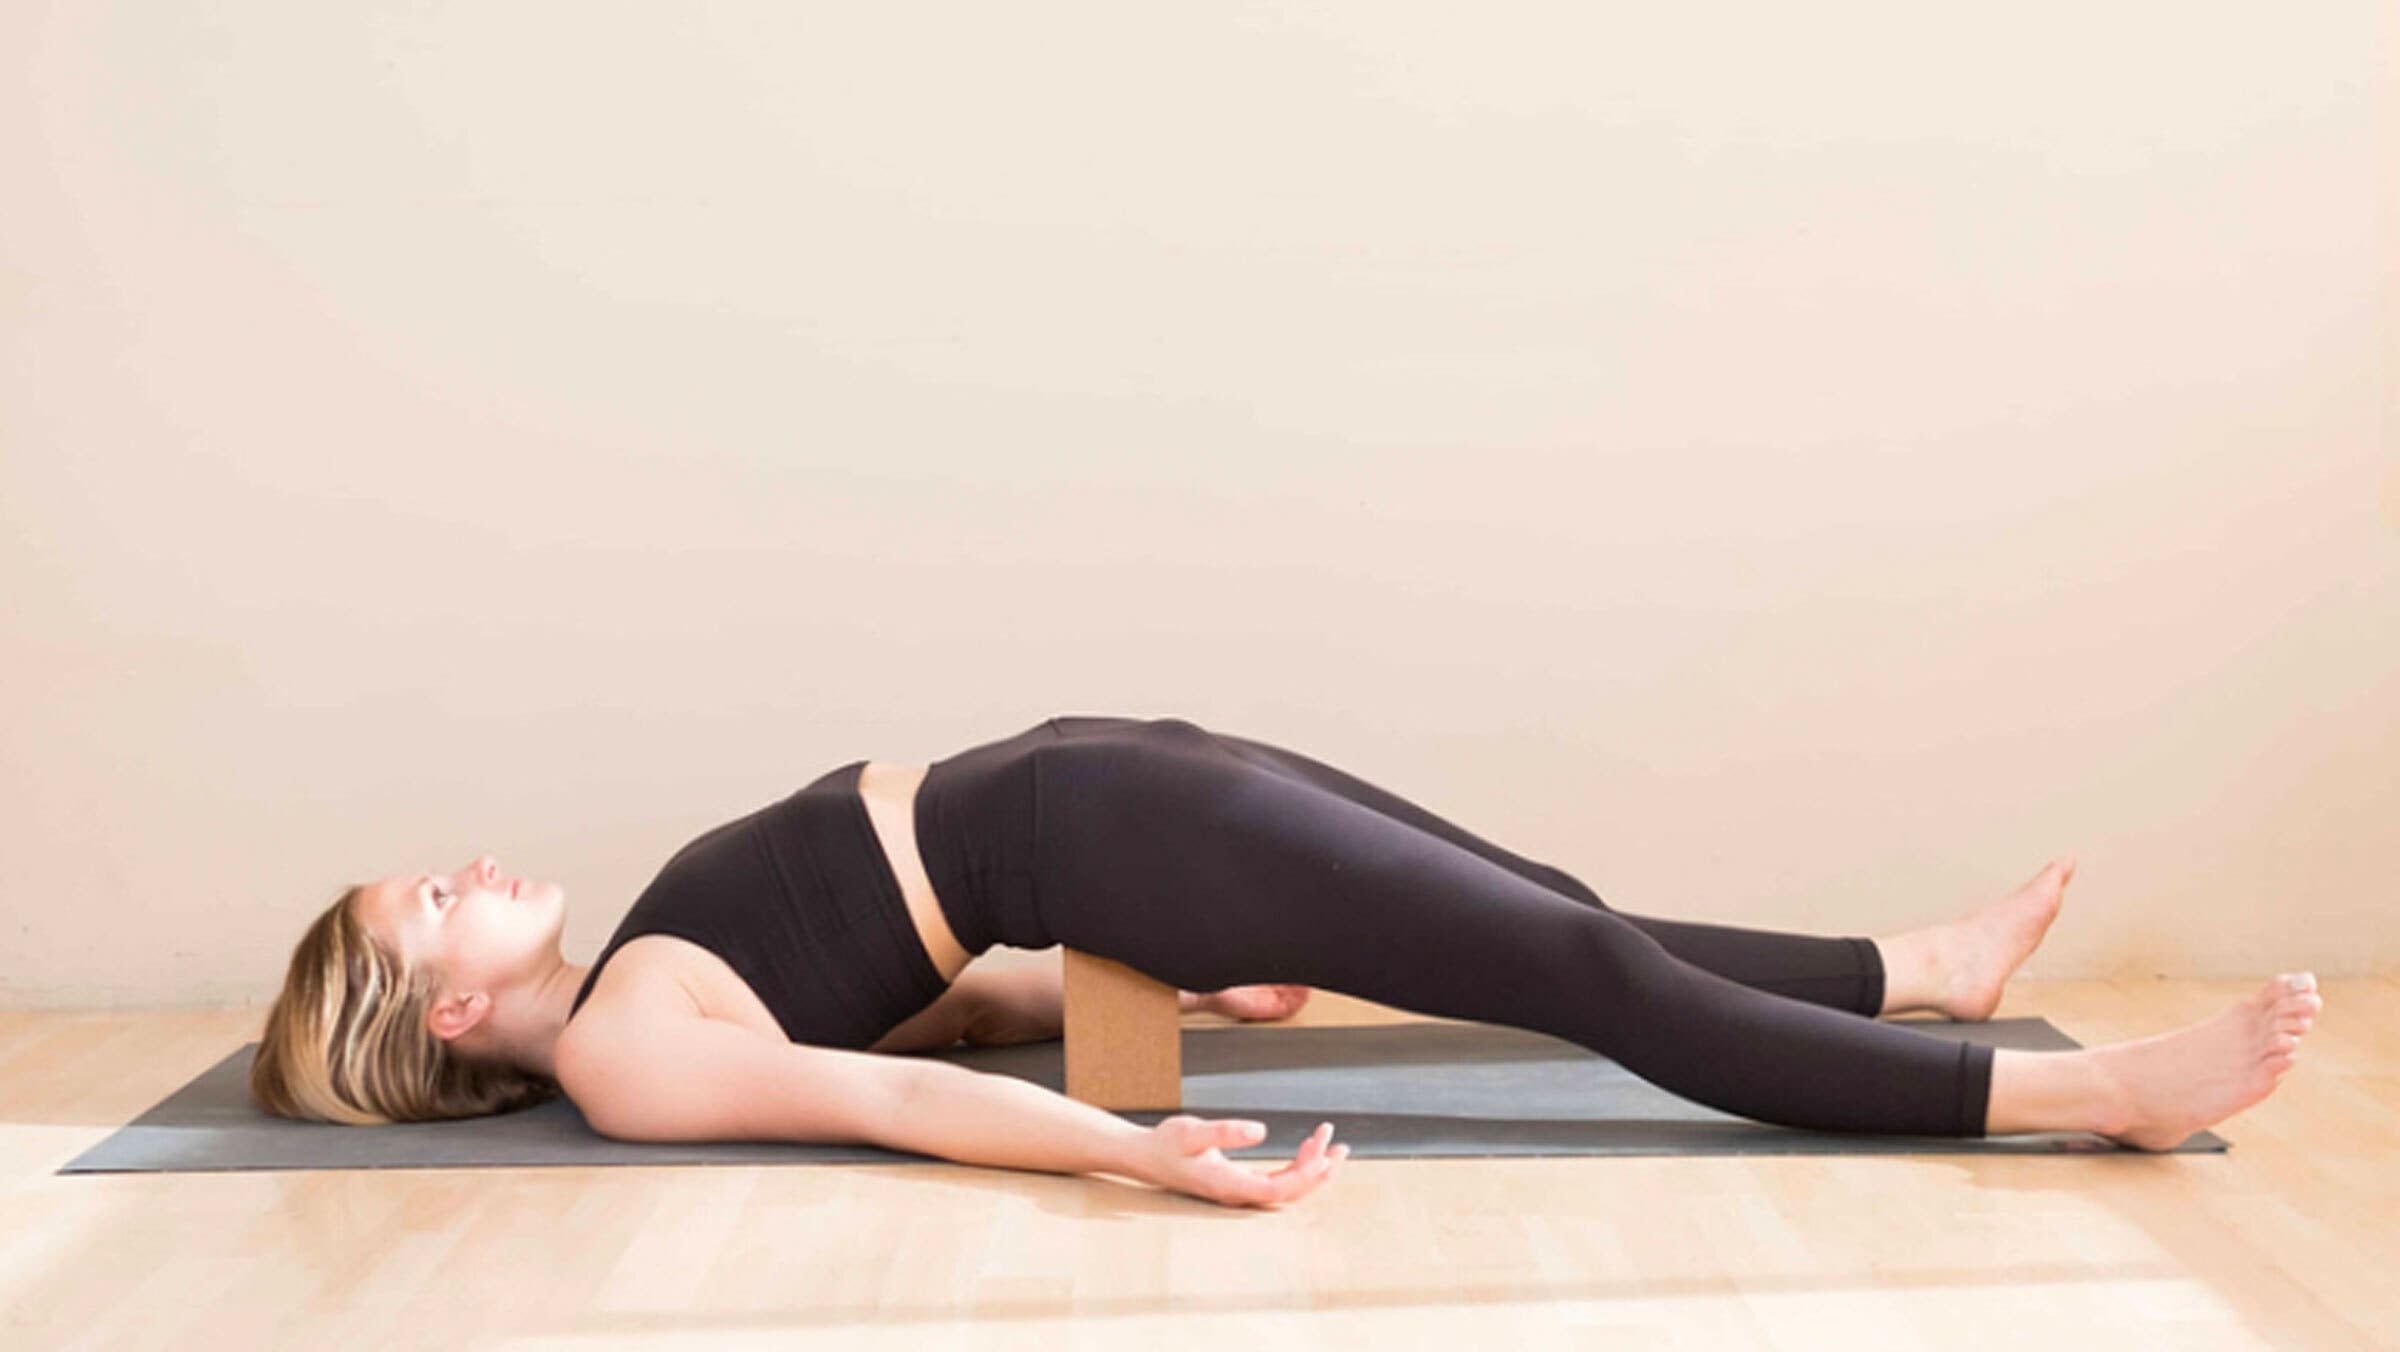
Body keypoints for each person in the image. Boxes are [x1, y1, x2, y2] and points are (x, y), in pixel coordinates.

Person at [252, 714, 2321, 1210]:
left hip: (1106, 818)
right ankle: (2082, 1092)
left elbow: (942, 991)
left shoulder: (639, 968)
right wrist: (1135, 1153)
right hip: (1109, 832)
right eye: (430, 907)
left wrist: (1149, 994)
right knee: (1576, 962)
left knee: (1548, 908)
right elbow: (891, 1092)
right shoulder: (623, 1051)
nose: (466, 874)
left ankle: (1914, 968)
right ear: (444, 1011)